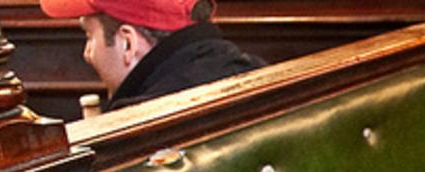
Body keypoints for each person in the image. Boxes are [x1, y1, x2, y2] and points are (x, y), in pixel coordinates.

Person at [40, 0, 263, 111]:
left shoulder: (135, 129)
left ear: (128, 43)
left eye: (90, 36)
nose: (87, 54)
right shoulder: (259, 73)